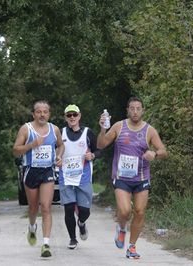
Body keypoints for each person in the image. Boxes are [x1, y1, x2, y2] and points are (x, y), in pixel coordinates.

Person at [96, 96, 168, 259]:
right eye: (132, 108)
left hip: (141, 177)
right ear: (127, 110)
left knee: (140, 212)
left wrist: (154, 153)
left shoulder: (149, 130)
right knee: (125, 210)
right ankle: (122, 228)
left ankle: (132, 246)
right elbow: (101, 145)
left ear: (142, 110)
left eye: (138, 108)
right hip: (121, 177)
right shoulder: (119, 126)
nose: (135, 111)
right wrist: (102, 129)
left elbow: (164, 150)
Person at [12, 100, 64, 258]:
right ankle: (32, 226)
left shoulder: (54, 129)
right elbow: (15, 150)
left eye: (45, 112)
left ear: (49, 114)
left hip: (47, 171)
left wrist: (59, 156)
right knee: (33, 207)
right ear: (34, 114)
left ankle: (46, 244)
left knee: (46, 206)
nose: (42, 114)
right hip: (31, 171)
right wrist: (32, 145)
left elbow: (61, 145)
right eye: (39, 112)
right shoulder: (26, 129)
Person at [59, 104, 101, 250]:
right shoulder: (60, 132)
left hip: (83, 177)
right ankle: (72, 239)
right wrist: (56, 158)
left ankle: (81, 223)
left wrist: (93, 155)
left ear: (79, 116)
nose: (72, 118)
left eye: (74, 115)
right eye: (69, 115)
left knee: (85, 211)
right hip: (65, 176)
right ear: (65, 117)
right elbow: (54, 150)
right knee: (68, 209)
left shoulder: (88, 133)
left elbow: (98, 149)